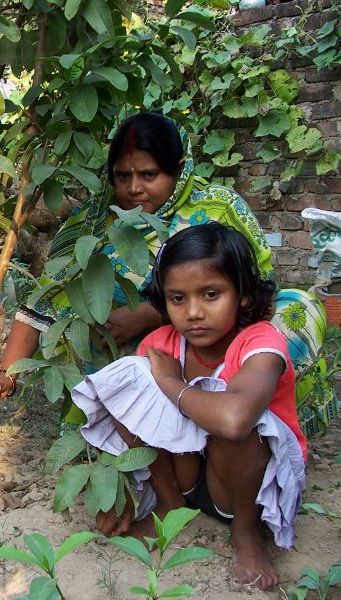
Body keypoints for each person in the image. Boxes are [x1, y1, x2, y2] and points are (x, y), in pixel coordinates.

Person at [0, 112, 325, 429]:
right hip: (136, 353)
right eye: (123, 176)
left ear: (179, 169)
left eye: (149, 175)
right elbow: (46, 296)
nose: (134, 188)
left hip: (224, 341)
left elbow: (258, 291)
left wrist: (150, 313)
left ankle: (253, 422)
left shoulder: (219, 208)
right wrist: (9, 372)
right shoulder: (93, 220)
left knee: (298, 311)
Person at [72, 223, 306, 590]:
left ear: (243, 295)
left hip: (247, 483)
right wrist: (124, 494)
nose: (193, 312)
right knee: (130, 378)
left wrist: (172, 384)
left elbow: (233, 422)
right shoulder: (161, 342)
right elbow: (134, 415)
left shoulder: (261, 343)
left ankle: (246, 532)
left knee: (241, 418)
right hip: (187, 472)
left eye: (211, 294)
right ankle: (169, 504)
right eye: (178, 298)